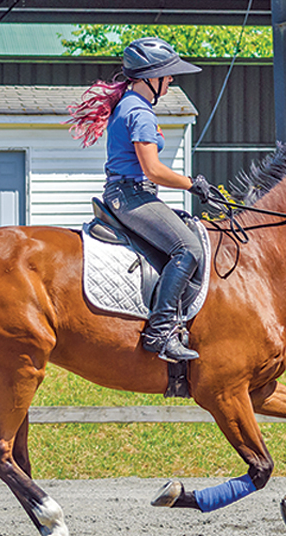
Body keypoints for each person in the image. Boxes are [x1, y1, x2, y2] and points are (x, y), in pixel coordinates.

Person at [67, 37, 215, 363]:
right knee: (187, 248)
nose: (172, 80)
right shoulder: (140, 113)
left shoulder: (132, 105)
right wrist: (193, 184)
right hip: (131, 195)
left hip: (128, 193)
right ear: (151, 77)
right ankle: (160, 331)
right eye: (168, 74)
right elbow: (154, 170)